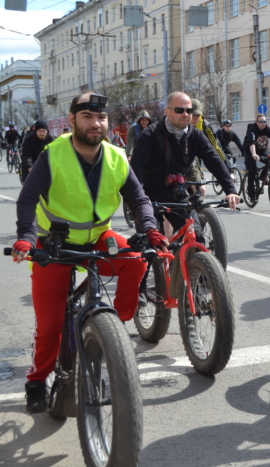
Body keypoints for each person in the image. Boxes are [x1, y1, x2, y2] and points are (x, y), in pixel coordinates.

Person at [11, 91, 169, 414]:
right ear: (72, 121)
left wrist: (149, 228)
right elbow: (26, 200)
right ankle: (37, 380)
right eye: (87, 117)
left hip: (97, 238)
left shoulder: (116, 157)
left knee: (136, 261)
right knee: (51, 325)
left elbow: (138, 200)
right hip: (53, 246)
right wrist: (27, 238)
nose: (96, 124)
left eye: (101, 118)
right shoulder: (52, 156)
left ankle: (112, 331)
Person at [131, 92, 239, 234]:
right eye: (179, 110)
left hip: (178, 192)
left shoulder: (196, 135)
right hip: (149, 194)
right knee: (151, 243)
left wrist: (230, 190)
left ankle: (191, 256)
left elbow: (214, 161)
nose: (185, 114)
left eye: (189, 110)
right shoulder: (150, 134)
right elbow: (136, 167)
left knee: (195, 236)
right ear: (167, 112)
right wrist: (139, 200)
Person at [242, 114, 270, 202]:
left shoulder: (268, 129)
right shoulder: (253, 130)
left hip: (262, 150)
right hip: (250, 151)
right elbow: (252, 143)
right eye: (261, 122)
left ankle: (262, 177)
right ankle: (252, 196)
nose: (263, 123)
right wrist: (254, 154)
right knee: (252, 172)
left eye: (264, 121)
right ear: (257, 122)